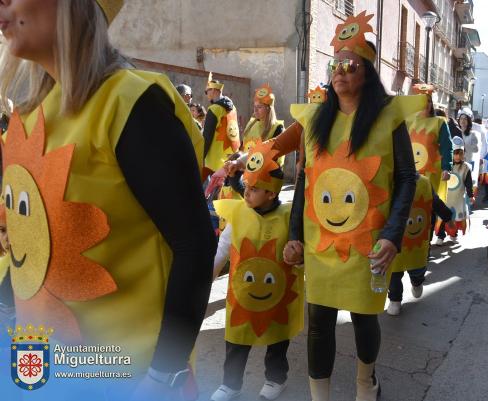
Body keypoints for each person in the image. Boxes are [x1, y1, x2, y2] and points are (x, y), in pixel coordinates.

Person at [0, 1, 216, 400]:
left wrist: (162, 378)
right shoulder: (32, 115)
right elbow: (28, 253)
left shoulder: (129, 103)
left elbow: (195, 244)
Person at [278, 11, 426, 401]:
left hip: (370, 243)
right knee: (319, 324)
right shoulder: (314, 121)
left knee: (364, 318)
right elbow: (305, 183)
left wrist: (393, 235)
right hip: (321, 244)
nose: (340, 72)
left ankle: (366, 384)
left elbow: (407, 179)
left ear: (366, 73)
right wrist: (294, 236)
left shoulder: (388, 117)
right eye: (335, 64)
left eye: (350, 64)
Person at [210, 142, 304, 401]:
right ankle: (231, 384)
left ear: (271, 194)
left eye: (253, 189)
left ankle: (276, 378)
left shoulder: (290, 216)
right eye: (246, 187)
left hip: (279, 295)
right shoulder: (240, 212)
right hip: (243, 296)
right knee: (237, 340)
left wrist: (299, 257)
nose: (246, 193)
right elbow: (223, 249)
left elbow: (302, 251)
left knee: (277, 339)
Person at [386, 174, 453, 315]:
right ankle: (395, 300)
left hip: (418, 239)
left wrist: (447, 217)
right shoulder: (389, 182)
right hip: (395, 238)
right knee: (394, 272)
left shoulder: (424, 183)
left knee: (417, 269)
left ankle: (417, 282)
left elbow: (436, 203)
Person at [406, 84, 452, 202]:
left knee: (430, 204)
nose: (426, 104)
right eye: (422, 101)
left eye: (429, 101)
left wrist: (447, 168)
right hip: (410, 172)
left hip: (432, 172)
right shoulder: (408, 121)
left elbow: (447, 147)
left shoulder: (439, 122)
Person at [435, 137, 474, 245]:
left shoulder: (466, 168)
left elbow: (468, 183)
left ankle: (453, 234)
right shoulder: (446, 165)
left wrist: (471, 195)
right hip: (446, 196)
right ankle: (441, 236)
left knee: (456, 216)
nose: (457, 156)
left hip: (458, 197)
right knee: (443, 216)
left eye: (460, 154)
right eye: (455, 153)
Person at [203, 72, 241, 180]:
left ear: (214, 90)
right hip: (232, 157)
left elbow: (207, 136)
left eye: (207, 91)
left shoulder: (214, 109)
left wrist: (200, 156)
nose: (206, 94)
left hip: (215, 160)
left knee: (214, 192)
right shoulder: (233, 107)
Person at [241, 84, 285, 152]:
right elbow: (242, 147)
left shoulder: (278, 128)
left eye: (259, 107)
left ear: (268, 109)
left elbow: (275, 155)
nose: (255, 110)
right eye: (254, 106)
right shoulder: (250, 123)